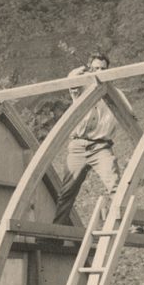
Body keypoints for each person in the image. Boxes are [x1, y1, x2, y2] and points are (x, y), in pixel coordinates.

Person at [52, 50, 127, 227]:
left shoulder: (116, 94)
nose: (99, 72)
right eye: (95, 68)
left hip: (101, 147)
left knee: (115, 184)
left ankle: (129, 222)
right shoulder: (81, 90)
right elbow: (71, 79)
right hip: (78, 146)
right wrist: (85, 72)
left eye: (103, 69)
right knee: (67, 192)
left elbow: (130, 115)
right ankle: (57, 232)